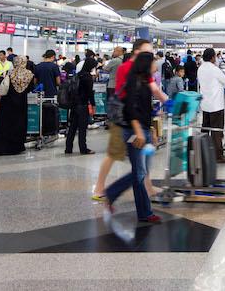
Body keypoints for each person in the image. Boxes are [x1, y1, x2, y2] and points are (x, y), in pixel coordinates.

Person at [93, 39, 167, 201]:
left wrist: (167, 103)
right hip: (124, 120)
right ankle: (99, 188)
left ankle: (147, 187)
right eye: (147, 52)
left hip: (138, 119)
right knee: (114, 153)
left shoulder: (144, 69)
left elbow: (155, 90)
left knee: (144, 156)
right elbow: (126, 96)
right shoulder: (125, 68)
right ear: (136, 51)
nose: (151, 55)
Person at [104, 51, 162, 224]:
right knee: (140, 172)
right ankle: (142, 211)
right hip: (134, 131)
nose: (156, 65)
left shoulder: (144, 82)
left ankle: (139, 209)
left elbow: (143, 110)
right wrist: (138, 131)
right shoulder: (135, 83)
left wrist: (150, 129)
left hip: (142, 129)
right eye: (153, 62)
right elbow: (130, 109)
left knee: (141, 172)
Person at [0, 56, 33, 155]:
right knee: (19, 125)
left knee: (4, 125)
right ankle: (17, 147)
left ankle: (2, 146)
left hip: (7, 104)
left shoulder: (9, 73)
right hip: (21, 105)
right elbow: (31, 88)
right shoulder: (29, 75)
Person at [198, 48, 225, 163]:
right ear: (213, 57)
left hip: (205, 104)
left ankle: (203, 152)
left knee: (205, 129)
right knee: (217, 131)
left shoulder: (201, 68)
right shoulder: (215, 69)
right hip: (216, 105)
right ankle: (218, 156)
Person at [64, 57, 97, 155]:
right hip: (82, 105)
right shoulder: (88, 77)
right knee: (82, 128)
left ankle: (68, 148)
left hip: (74, 104)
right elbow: (90, 93)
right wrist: (93, 105)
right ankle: (83, 149)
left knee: (72, 127)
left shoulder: (78, 75)